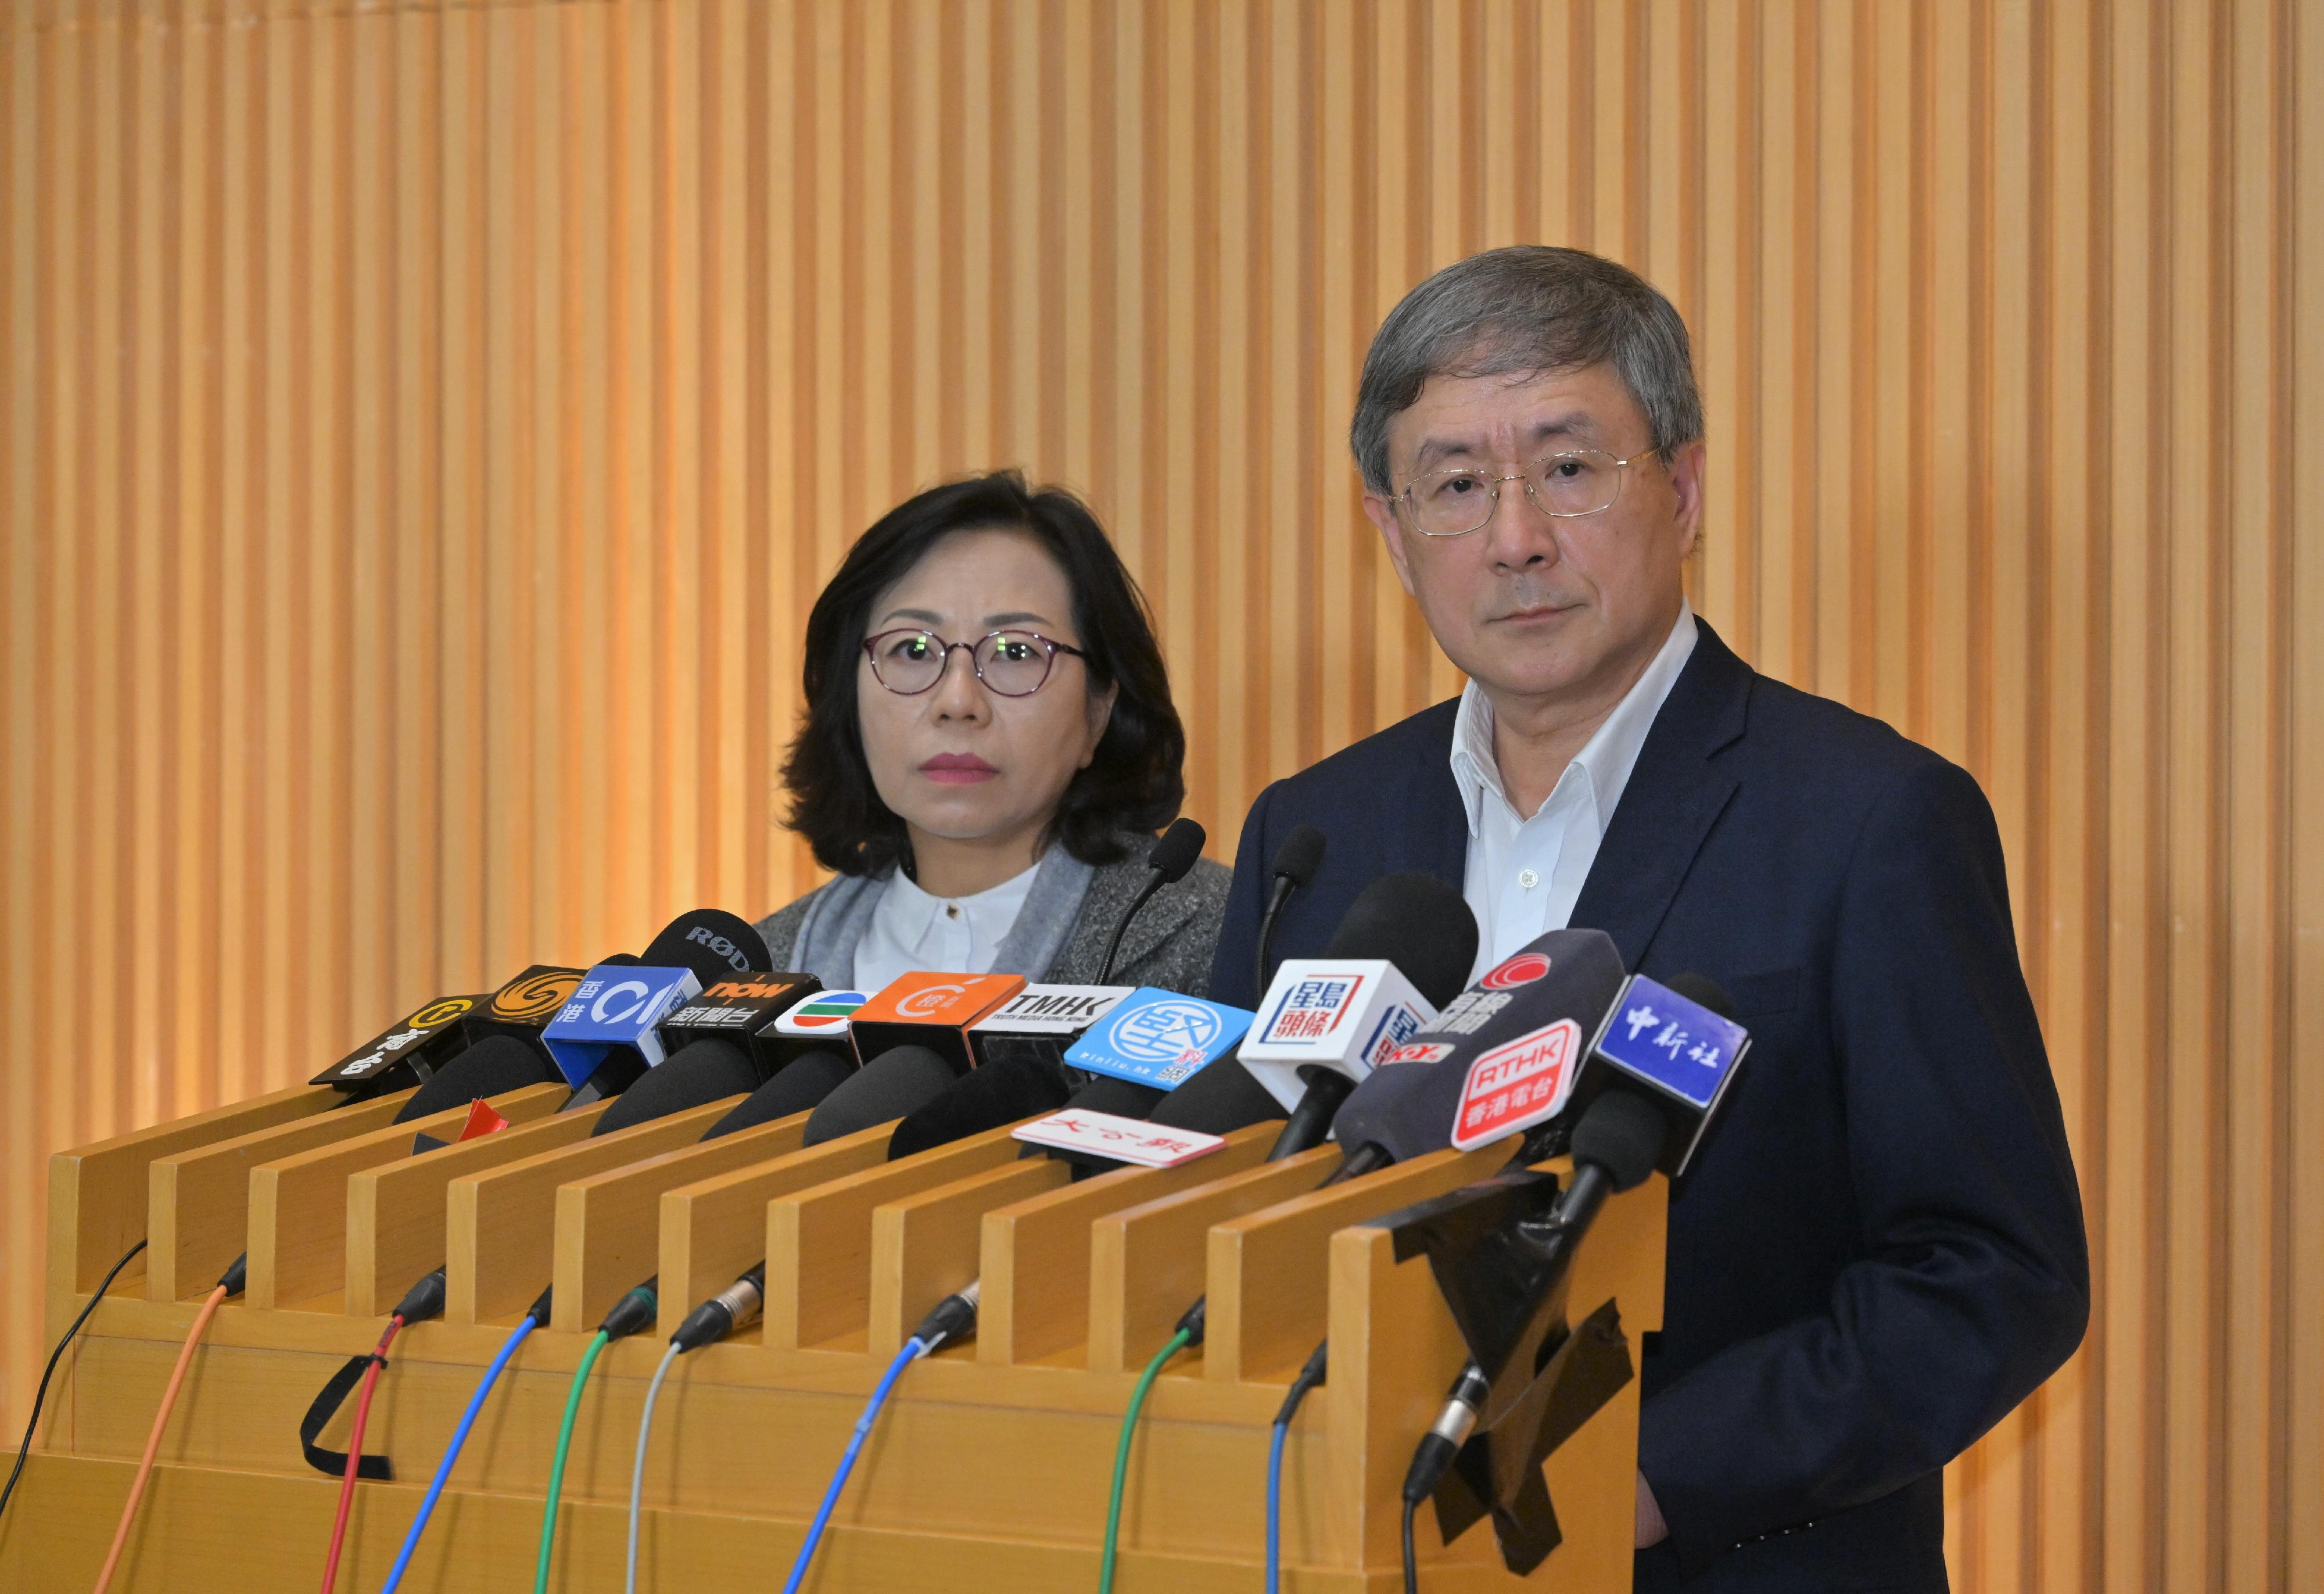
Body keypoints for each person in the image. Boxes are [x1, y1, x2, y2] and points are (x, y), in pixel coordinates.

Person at [1208, 247, 2088, 1591]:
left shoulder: (1868, 817)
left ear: (1680, 487)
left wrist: (1644, 1474)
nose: (1514, 536)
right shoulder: (1311, 832)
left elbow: (1987, 1271)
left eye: (1569, 467)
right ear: (1388, 528)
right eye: (1454, 484)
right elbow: (1238, 1202)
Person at [759, 470, 1227, 996]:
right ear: (850, 696)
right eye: (913, 650)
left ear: (1099, 709)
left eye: (1016, 652)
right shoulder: (764, 965)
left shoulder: (1220, 937)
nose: (958, 702)